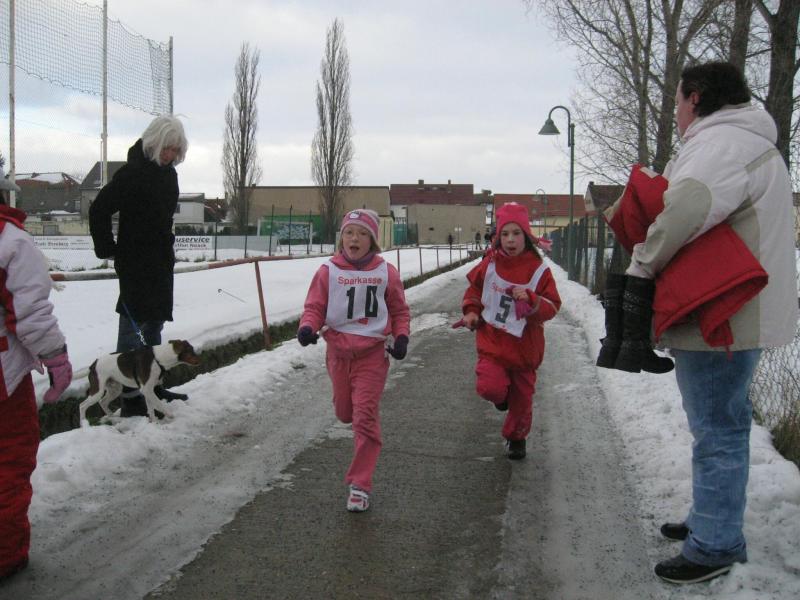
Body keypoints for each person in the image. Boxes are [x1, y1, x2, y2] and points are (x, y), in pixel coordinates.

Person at [623, 62, 798, 584]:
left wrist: (641, 264)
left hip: (722, 312)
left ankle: (715, 543)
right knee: (721, 424)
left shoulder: (721, 144)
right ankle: (710, 519)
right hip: (736, 308)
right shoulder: (745, 141)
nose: (677, 112)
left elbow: (686, 210)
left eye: (678, 100)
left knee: (718, 430)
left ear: (695, 97)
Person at [297, 209, 410, 512]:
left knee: (364, 418)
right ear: (342, 238)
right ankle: (350, 414)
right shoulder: (327, 271)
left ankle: (360, 485)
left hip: (372, 356)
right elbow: (314, 307)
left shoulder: (386, 272)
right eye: (349, 232)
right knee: (345, 413)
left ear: (372, 240)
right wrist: (307, 328)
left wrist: (401, 337)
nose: (354, 238)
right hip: (338, 354)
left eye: (361, 233)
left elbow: (399, 310)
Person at [89, 115, 189, 417]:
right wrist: (108, 249)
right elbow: (99, 209)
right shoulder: (131, 174)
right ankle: (131, 397)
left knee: (155, 324)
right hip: (135, 262)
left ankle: (152, 387)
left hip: (160, 262)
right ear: (154, 143)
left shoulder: (169, 175)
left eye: (176, 150)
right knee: (132, 330)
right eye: (167, 148)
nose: (171, 155)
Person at [0, 167, 72, 581]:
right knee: (8, 462)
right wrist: (56, 359)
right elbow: (30, 316)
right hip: (4, 382)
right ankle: (5, 554)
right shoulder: (12, 241)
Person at [461, 202, 561, 459]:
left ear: (526, 235)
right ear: (498, 237)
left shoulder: (539, 270)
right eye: (505, 234)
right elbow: (474, 291)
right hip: (493, 343)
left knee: (522, 401)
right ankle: (500, 397)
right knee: (489, 387)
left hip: (524, 349)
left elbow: (552, 306)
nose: (510, 239)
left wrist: (532, 300)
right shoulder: (489, 264)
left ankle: (517, 438)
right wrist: (471, 311)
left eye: (516, 233)